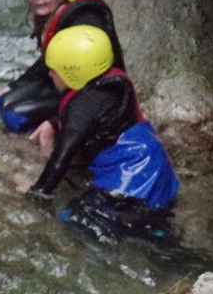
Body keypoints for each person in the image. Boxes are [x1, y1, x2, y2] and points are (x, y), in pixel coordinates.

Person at [26, 26, 179, 241]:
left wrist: (37, 192)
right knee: (157, 222)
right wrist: (53, 122)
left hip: (133, 175)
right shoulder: (113, 81)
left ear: (72, 72)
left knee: (75, 220)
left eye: (55, 69)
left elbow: (61, 158)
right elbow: (98, 114)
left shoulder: (81, 106)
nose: (50, 74)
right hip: (154, 160)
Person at [0, 0, 126, 137]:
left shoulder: (86, 17)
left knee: (13, 117)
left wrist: (55, 122)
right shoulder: (55, 9)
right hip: (59, 82)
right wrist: (15, 86)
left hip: (90, 92)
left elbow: (93, 87)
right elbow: (48, 60)